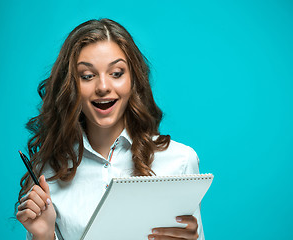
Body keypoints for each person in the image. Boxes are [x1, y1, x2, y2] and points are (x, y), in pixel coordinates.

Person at [15, 18, 204, 240]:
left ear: (133, 80)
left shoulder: (180, 161)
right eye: (87, 76)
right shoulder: (48, 171)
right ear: (71, 86)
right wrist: (44, 235)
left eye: (116, 73)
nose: (103, 87)